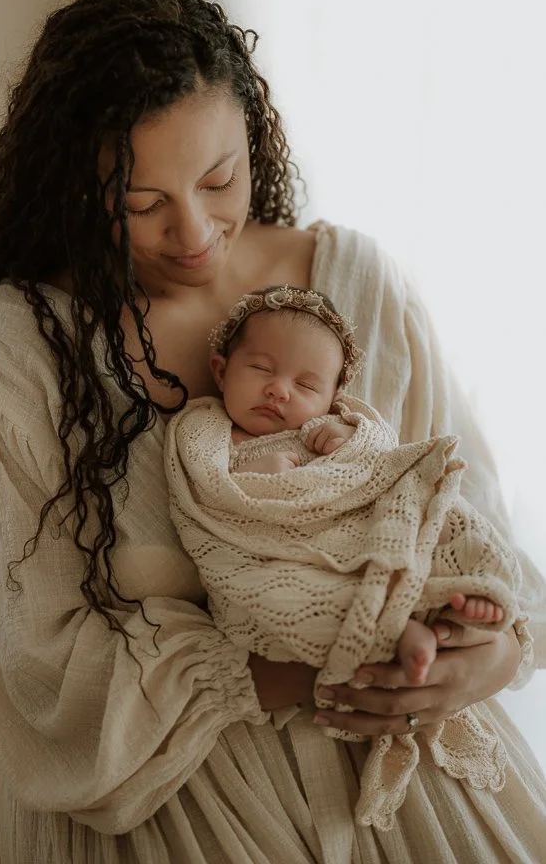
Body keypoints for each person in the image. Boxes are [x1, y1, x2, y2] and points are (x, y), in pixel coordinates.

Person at [0, 0, 546, 863]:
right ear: (75, 187)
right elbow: (30, 662)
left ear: (254, 129)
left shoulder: (358, 288)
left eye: (219, 179)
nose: (192, 233)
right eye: (139, 206)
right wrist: (306, 673)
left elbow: (473, 524)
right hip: (175, 804)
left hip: (416, 784)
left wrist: (491, 653)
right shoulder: (28, 349)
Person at [164, 283, 522, 828]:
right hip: (274, 555)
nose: (280, 391)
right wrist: (261, 481)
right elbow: (208, 497)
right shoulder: (205, 435)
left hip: (355, 532)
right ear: (220, 370)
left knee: (441, 516)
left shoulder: (327, 430)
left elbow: (380, 466)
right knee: (280, 596)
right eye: (261, 370)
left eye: (306, 384)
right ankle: (395, 627)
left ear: (333, 397)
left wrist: (348, 441)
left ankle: (457, 595)